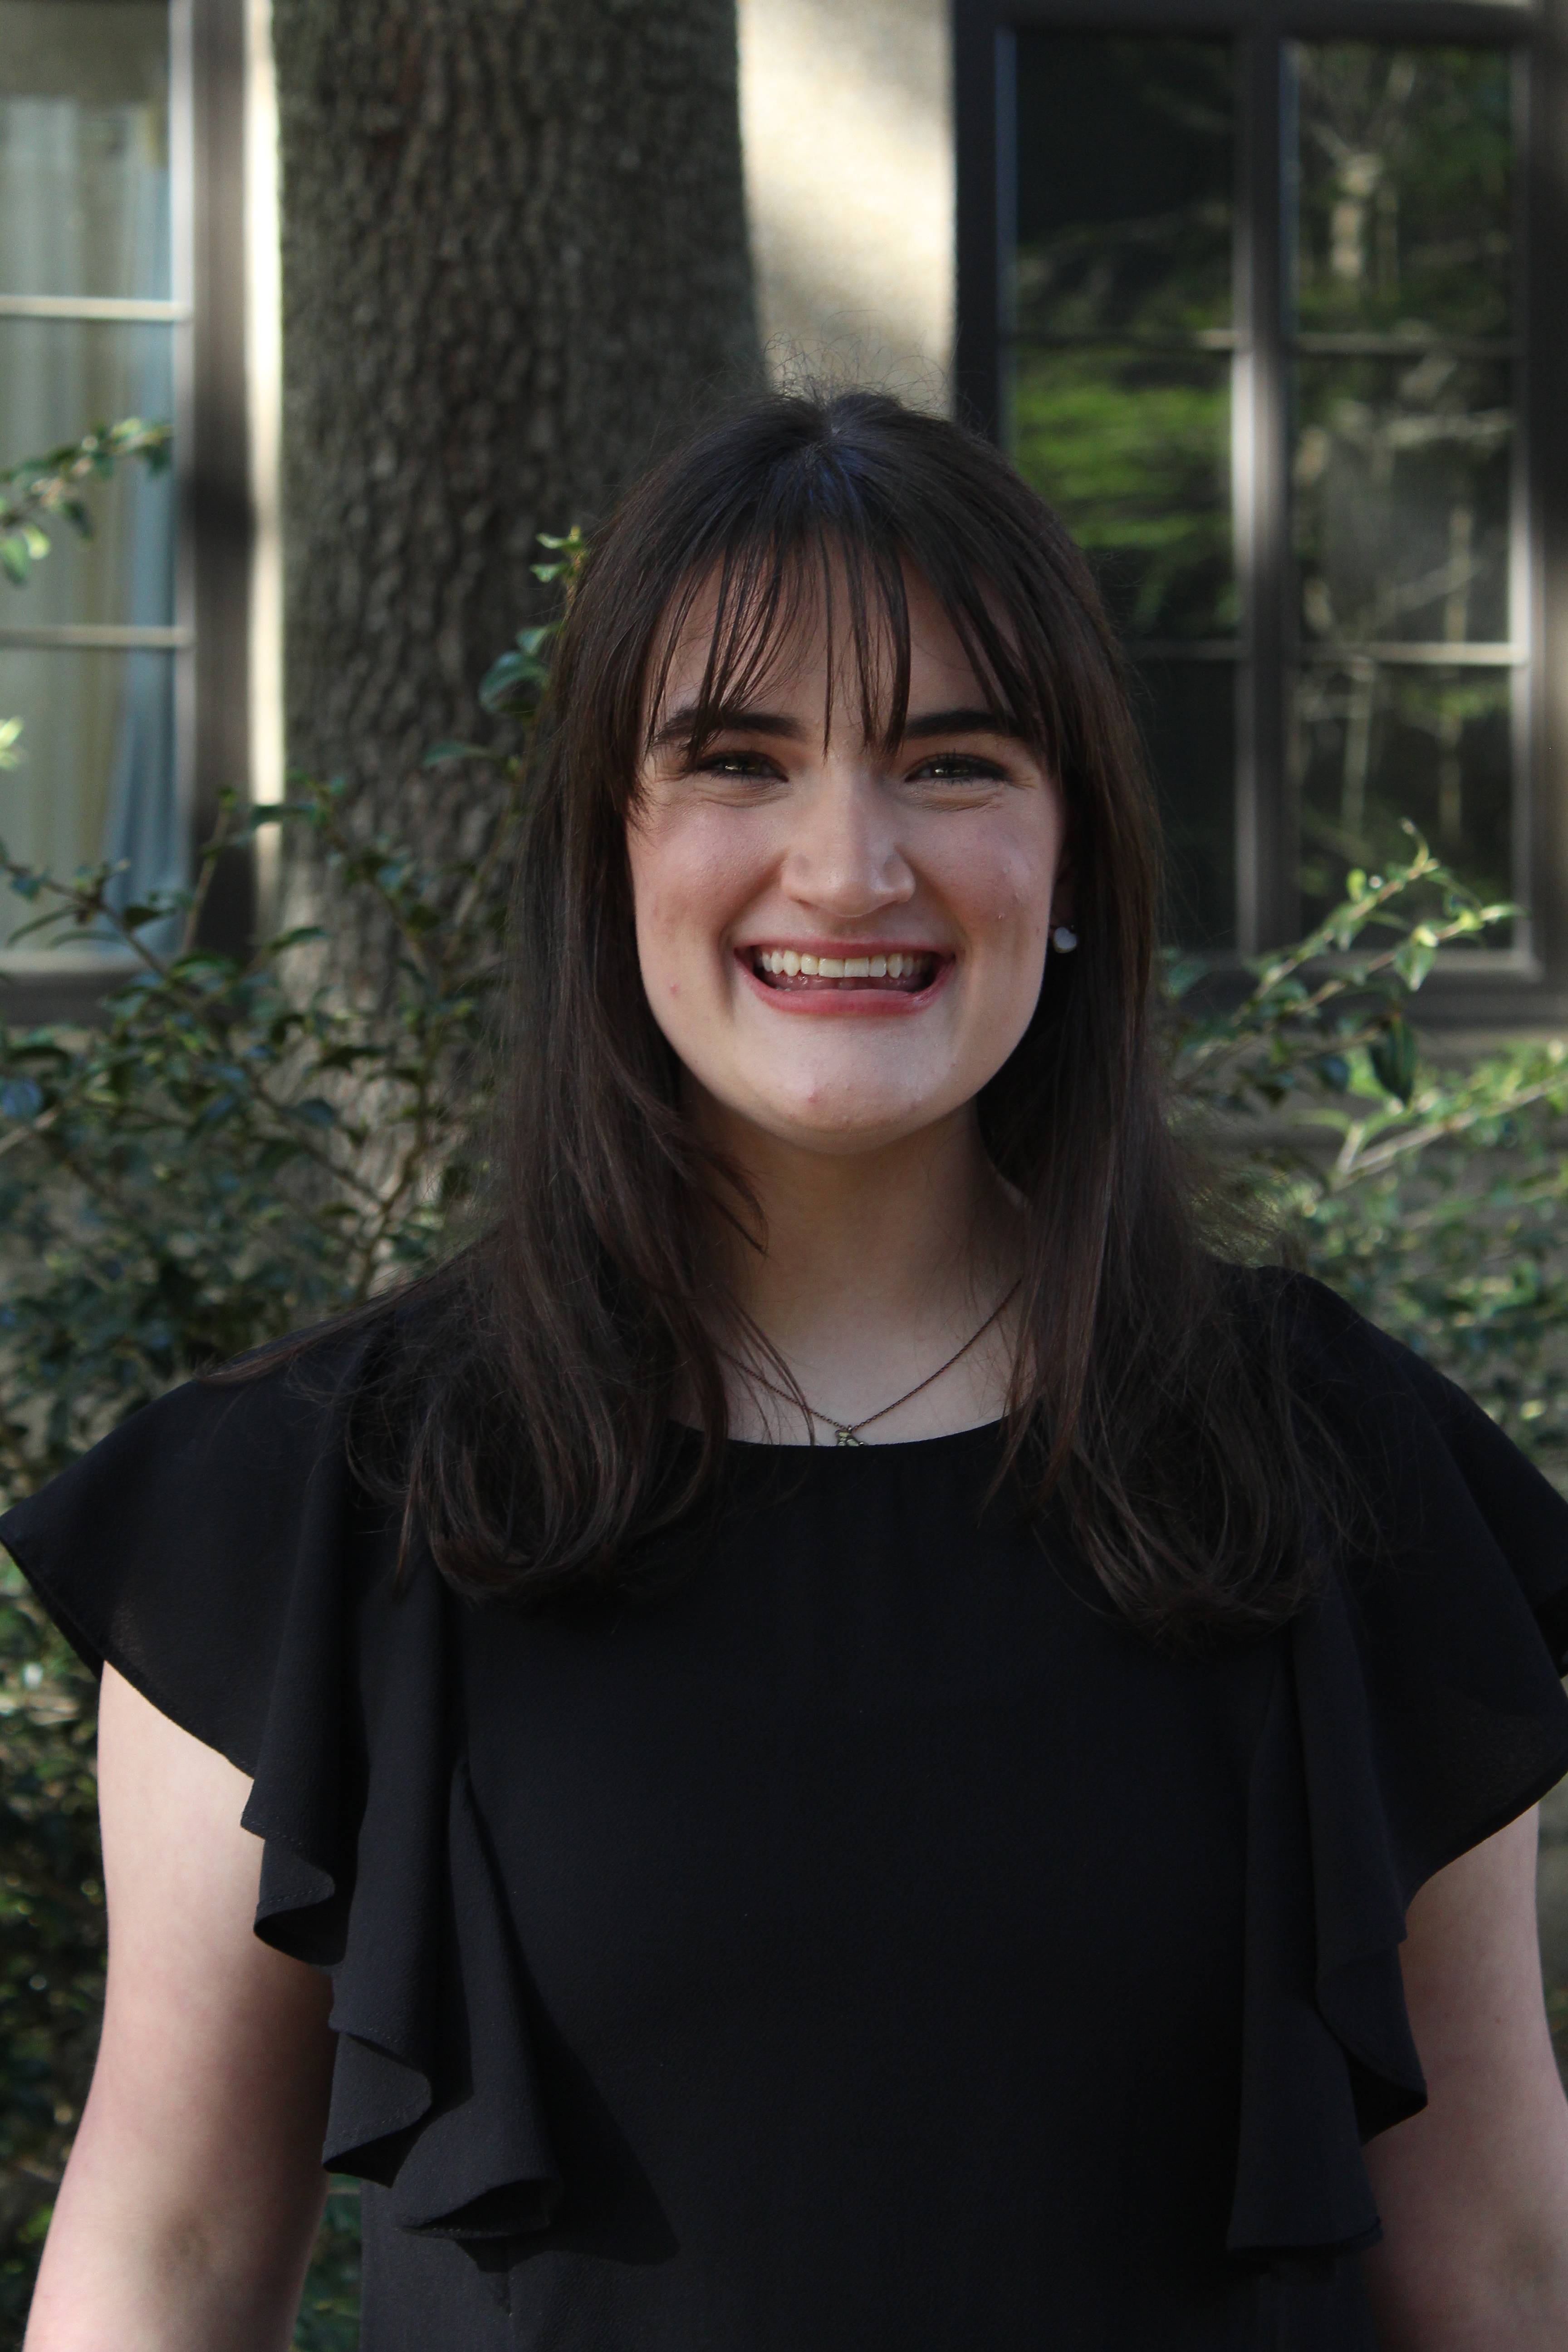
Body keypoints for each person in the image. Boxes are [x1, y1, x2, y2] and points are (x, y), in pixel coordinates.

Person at [9, 390, 1568, 2352]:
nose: (847, 868)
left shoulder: (1347, 1476)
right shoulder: (296, 1510)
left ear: (1072, 848)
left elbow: (1500, 2266)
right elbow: (164, 2257)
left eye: (952, 762)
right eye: (739, 761)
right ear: (612, 849)